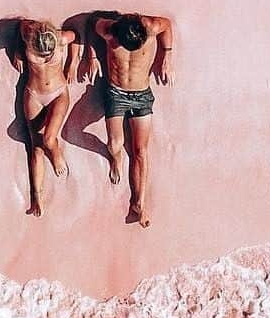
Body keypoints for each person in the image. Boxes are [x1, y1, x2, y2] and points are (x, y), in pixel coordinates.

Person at [85, 12, 174, 227]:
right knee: (114, 144)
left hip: (142, 95)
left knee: (140, 152)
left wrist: (166, 55)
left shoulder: (151, 26)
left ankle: (138, 203)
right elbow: (90, 24)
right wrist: (92, 57)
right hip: (116, 94)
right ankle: (116, 160)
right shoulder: (108, 30)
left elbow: (167, 25)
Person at [11, 19, 79, 217]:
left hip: (58, 93)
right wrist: (17, 51)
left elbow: (76, 34)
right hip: (34, 94)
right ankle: (37, 198)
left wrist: (73, 62)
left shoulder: (60, 38)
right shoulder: (28, 32)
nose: (45, 57)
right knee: (36, 148)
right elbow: (20, 25)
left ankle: (57, 154)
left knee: (49, 139)